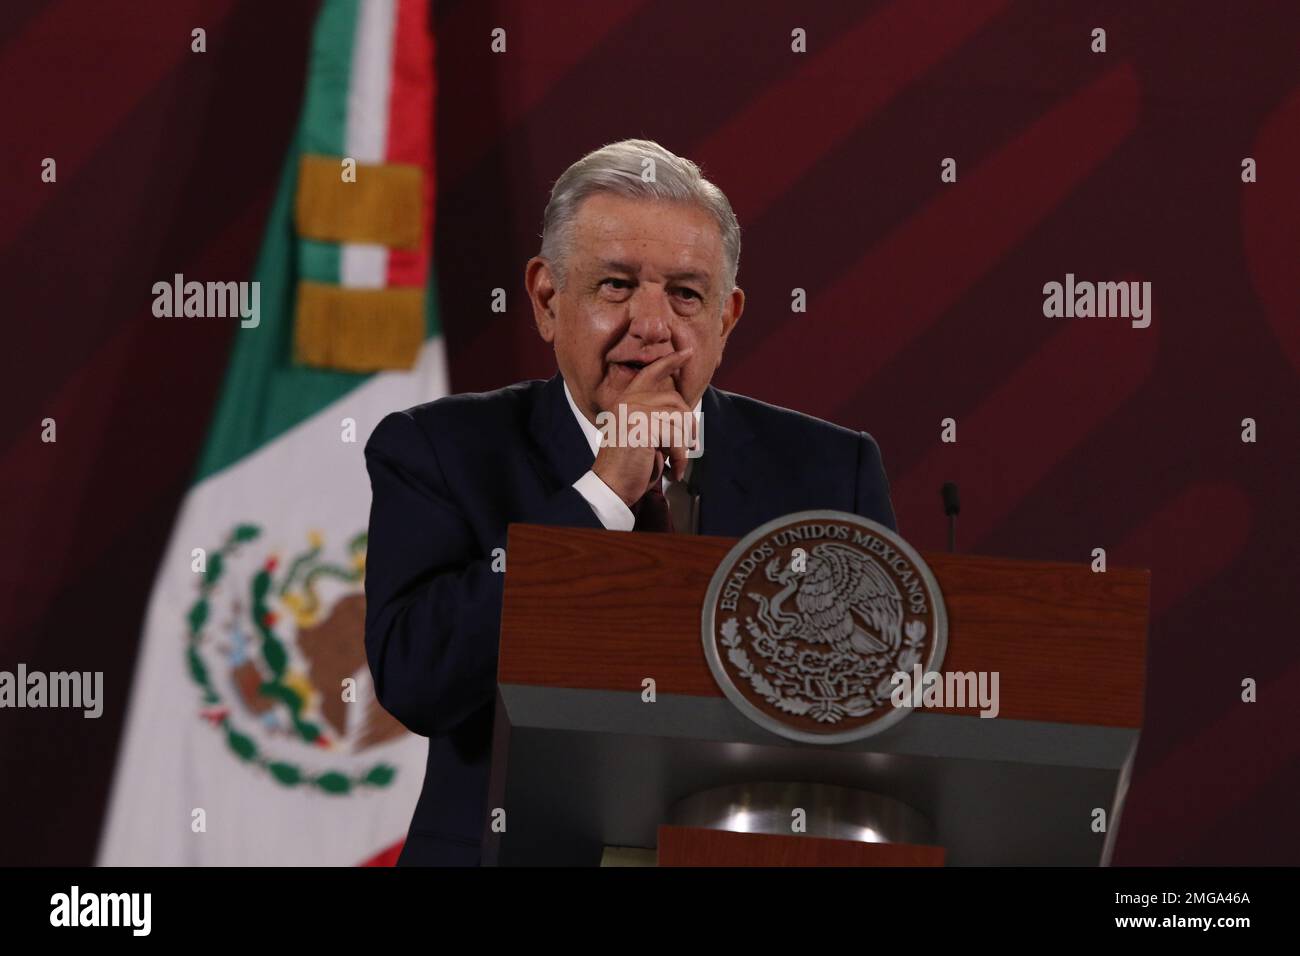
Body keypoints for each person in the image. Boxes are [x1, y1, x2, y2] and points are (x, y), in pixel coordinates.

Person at [363, 138, 897, 865]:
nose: (653, 325)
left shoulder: (831, 470)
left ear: (726, 318)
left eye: (685, 293)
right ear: (548, 301)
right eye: (616, 285)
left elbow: (880, 711)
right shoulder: (441, 450)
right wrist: (603, 493)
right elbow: (420, 681)